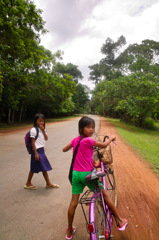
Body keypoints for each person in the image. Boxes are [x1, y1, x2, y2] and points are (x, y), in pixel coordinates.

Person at [63, 116, 128, 239]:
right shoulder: (89, 141)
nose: (91, 130)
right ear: (81, 129)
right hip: (87, 175)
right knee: (105, 194)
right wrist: (112, 138)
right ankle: (120, 221)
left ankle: (69, 231)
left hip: (75, 174)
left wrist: (71, 146)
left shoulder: (76, 140)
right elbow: (103, 145)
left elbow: (64, 149)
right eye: (88, 127)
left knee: (73, 203)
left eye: (93, 127)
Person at [24, 113, 59, 190]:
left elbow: (46, 138)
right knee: (33, 168)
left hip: (41, 150)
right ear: (36, 121)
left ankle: (48, 183)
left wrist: (43, 130)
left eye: (42, 121)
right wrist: (36, 153)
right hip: (36, 151)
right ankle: (28, 183)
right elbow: (33, 142)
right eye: (39, 121)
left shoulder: (43, 129)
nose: (41, 122)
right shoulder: (33, 130)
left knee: (44, 167)